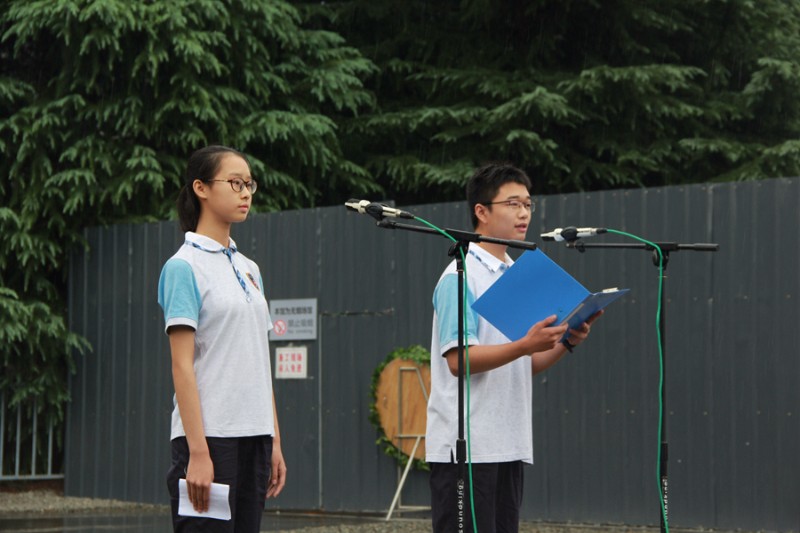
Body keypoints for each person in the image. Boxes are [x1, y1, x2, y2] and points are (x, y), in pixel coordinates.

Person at [425, 162, 601, 533]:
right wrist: (524, 345)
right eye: (513, 203)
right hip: (467, 450)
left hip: (508, 442)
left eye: (528, 204)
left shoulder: (516, 272)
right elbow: (459, 360)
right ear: (481, 211)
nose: (523, 213)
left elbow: (525, 362)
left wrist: (566, 341)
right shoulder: (460, 275)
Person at [158, 145, 286, 532]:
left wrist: (274, 441)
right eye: (235, 183)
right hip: (210, 438)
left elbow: (258, 361)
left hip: (255, 437)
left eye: (249, 184)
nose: (245, 192)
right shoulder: (183, 267)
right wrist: (198, 452)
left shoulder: (250, 269)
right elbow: (182, 364)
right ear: (200, 188)